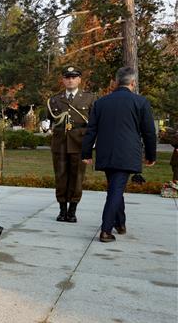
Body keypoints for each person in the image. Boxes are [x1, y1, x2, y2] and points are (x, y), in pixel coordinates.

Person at [81, 67, 157, 243]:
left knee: (116, 187)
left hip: (106, 152)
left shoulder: (101, 103)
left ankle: (120, 224)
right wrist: (151, 156)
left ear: (116, 82)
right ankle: (106, 230)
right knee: (116, 189)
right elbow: (149, 133)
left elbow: (91, 130)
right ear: (133, 83)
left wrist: (86, 153)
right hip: (127, 153)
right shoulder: (141, 102)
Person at [47, 66, 96, 222]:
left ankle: (72, 210)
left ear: (79, 80)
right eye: (67, 77)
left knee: (77, 177)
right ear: (63, 80)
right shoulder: (54, 99)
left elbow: (95, 122)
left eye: (74, 77)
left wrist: (93, 142)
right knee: (60, 176)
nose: (70, 80)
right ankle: (62, 210)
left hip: (80, 142)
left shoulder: (90, 98)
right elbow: (50, 119)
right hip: (60, 143)